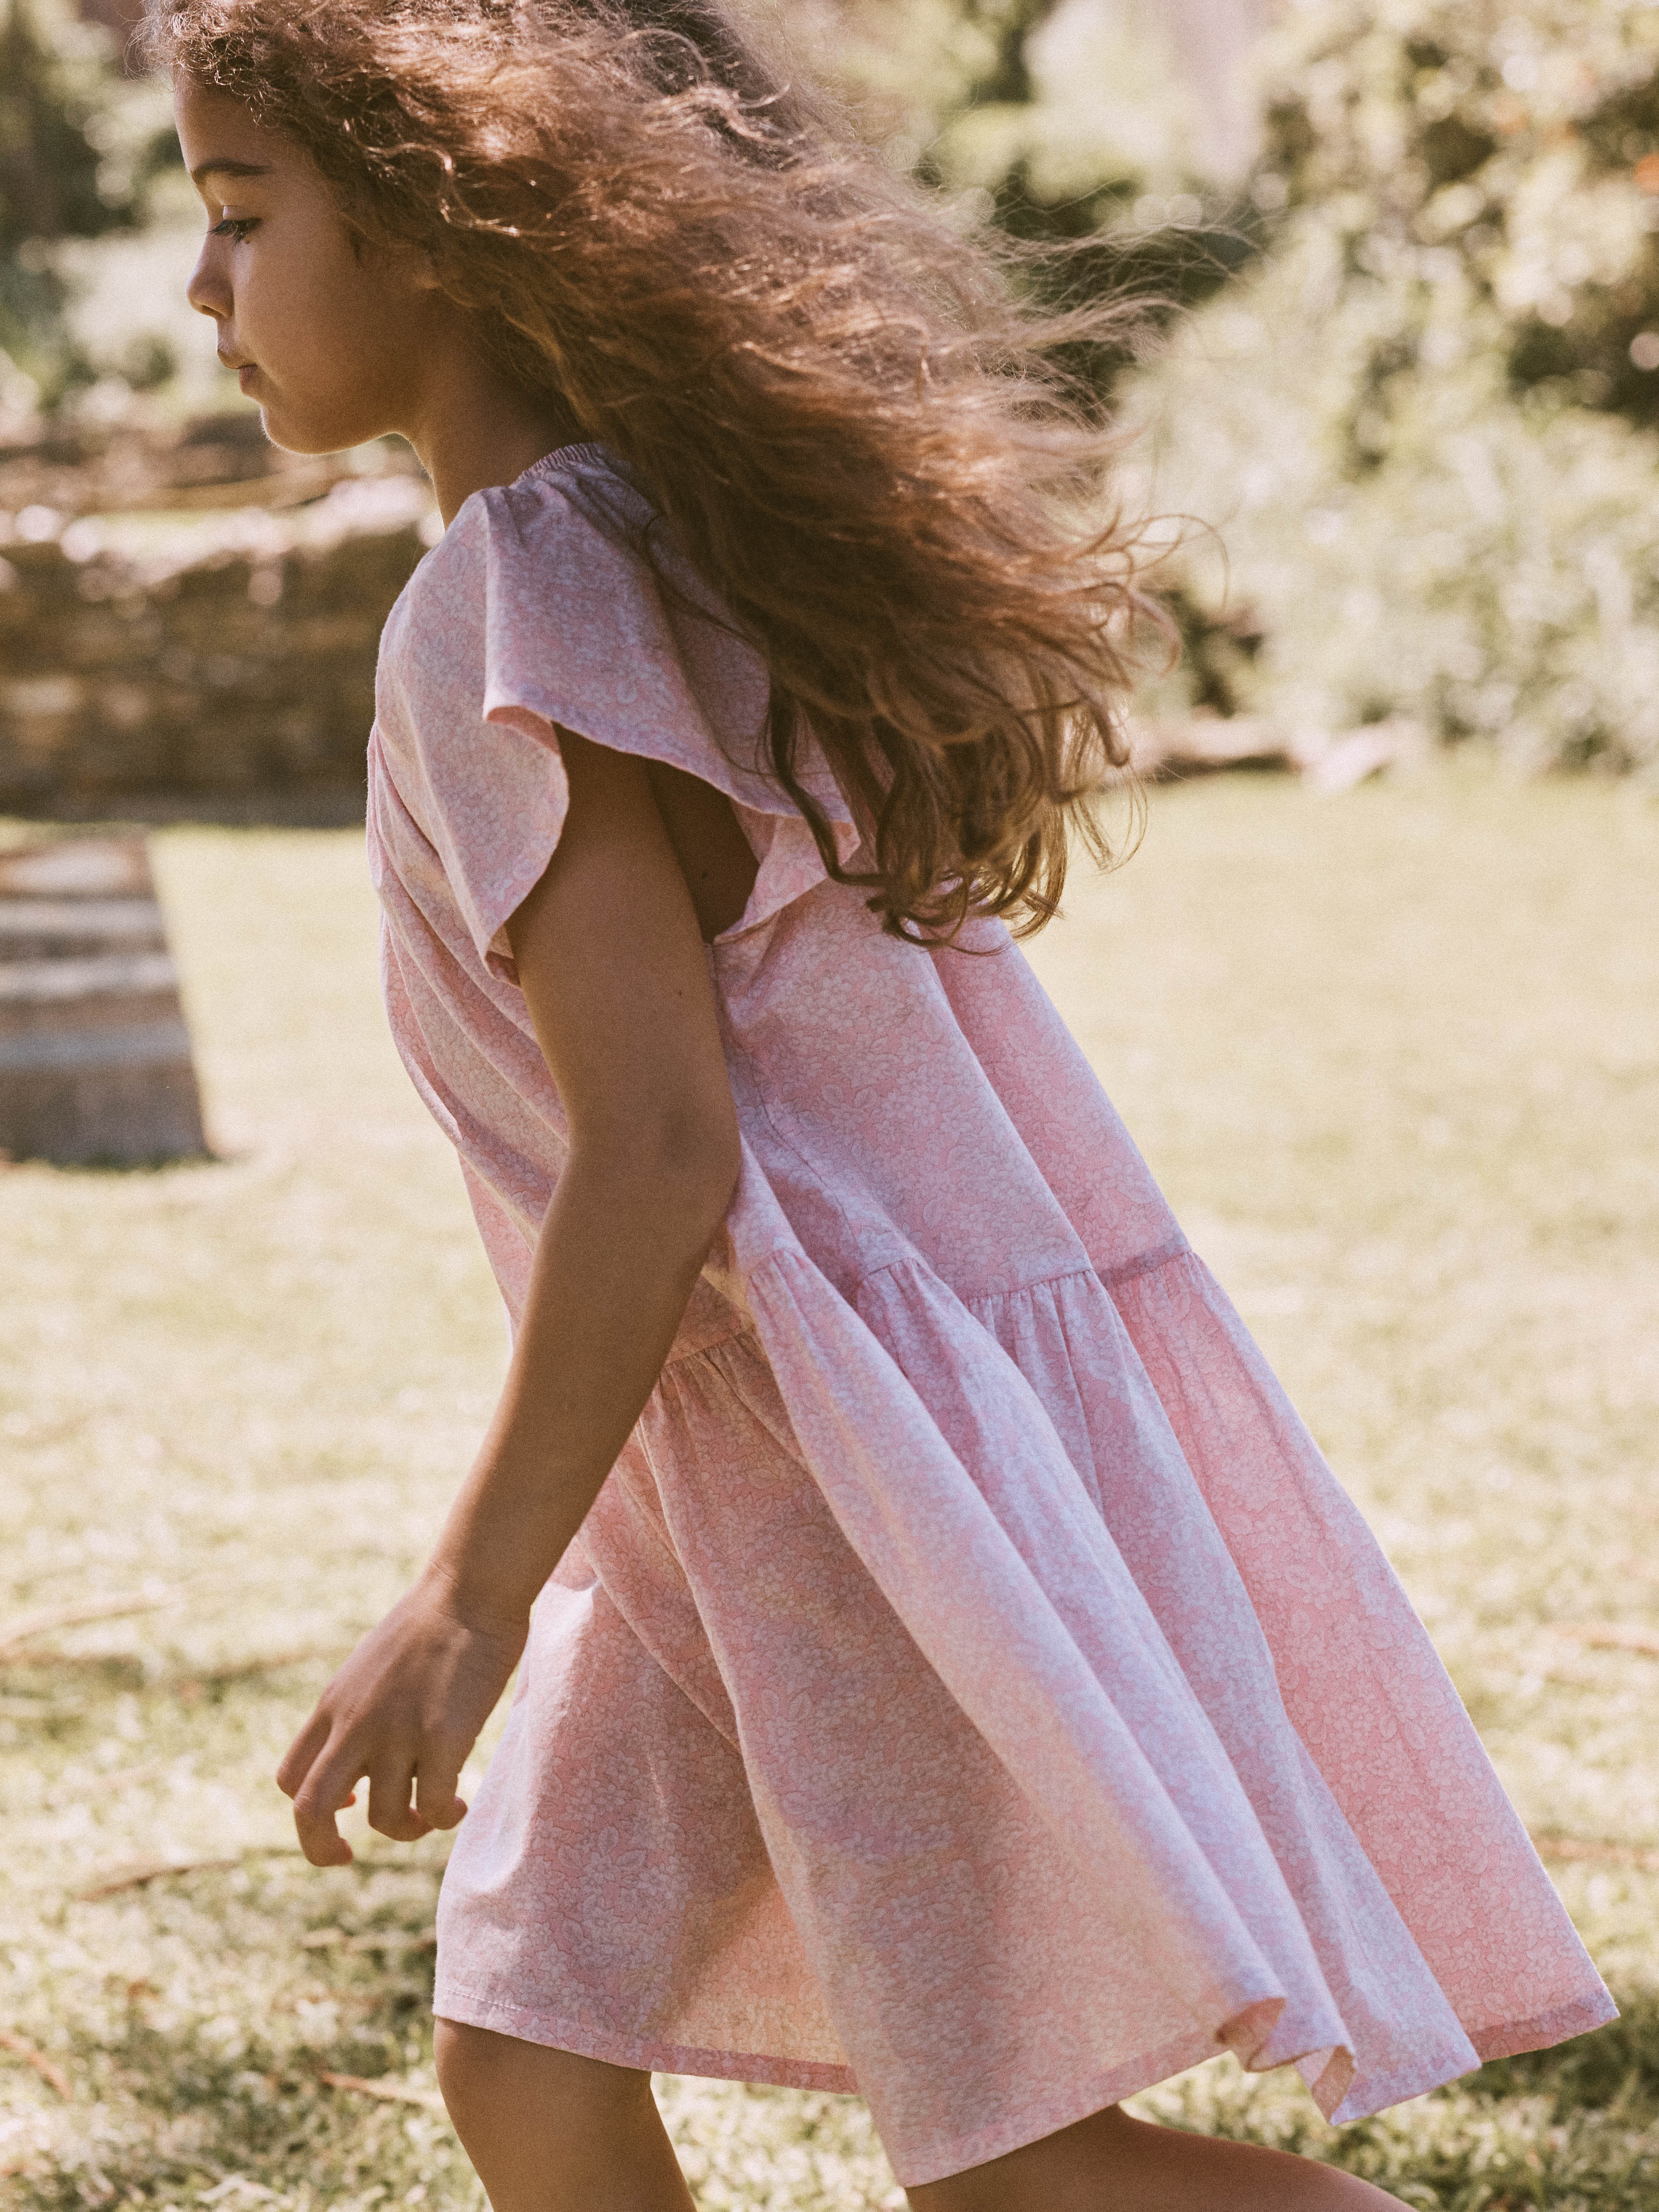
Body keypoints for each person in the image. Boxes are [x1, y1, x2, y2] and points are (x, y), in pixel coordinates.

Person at [159, 3, 1613, 2207]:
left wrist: (460, 1600)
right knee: (527, 2050)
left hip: (833, 1478)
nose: (201, 291)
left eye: (241, 217)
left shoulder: (511, 594)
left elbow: (661, 1151)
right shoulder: (663, 542)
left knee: (1009, 2167)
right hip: (739, 1468)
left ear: (437, 226)